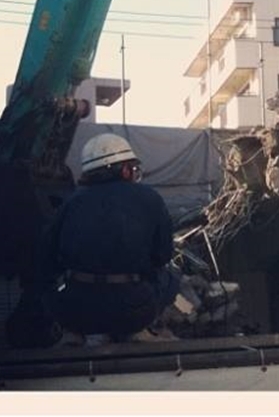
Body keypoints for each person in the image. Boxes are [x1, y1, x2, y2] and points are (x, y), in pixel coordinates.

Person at [39, 133, 180, 343]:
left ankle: (75, 336)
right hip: (134, 312)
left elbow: (48, 259)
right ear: (125, 170)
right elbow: (162, 255)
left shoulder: (69, 202)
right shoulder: (150, 197)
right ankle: (139, 330)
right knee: (171, 277)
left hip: (76, 313)